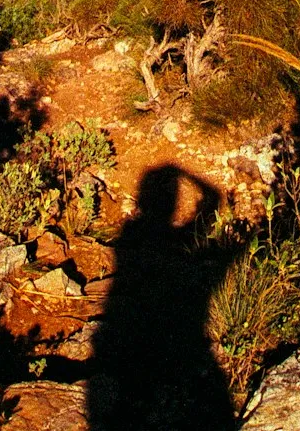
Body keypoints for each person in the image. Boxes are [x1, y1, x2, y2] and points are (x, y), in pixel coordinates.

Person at [87, 164, 236, 431]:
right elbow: (213, 201)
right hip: (175, 335)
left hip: (129, 333)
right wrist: (188, 174)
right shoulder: (177, 241)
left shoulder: (130, 236)